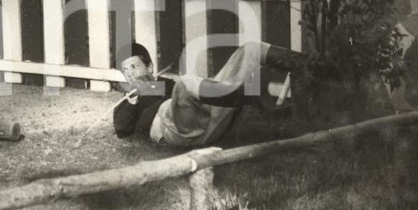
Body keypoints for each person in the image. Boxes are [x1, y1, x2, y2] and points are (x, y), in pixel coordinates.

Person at [113, 41, 301, 147]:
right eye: (125, 70)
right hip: (175, 130)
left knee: (251, 49)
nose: (129, 73)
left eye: (134, 66)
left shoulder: (164, 84)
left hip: (210, 118)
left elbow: (179, 92)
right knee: (184, 84)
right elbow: (122, 127)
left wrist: (151, 88)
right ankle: (243, 97)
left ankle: (313, 64)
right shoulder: (127, 101)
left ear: (150, 67)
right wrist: (133, 101)